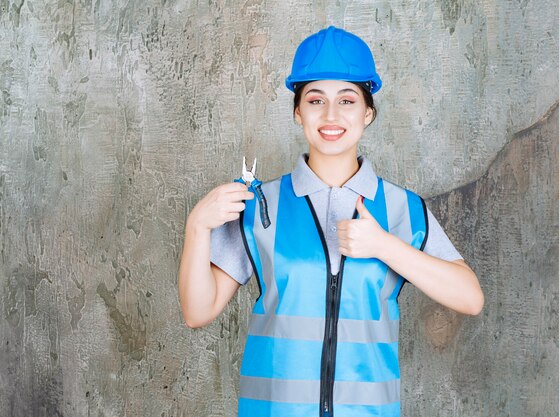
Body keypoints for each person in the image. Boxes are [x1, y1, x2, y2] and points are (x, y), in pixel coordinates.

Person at [179, 26, 483, 417]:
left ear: (368, 112)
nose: (331, 115)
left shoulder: (403, 209)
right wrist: (197, 227)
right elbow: (197, 312)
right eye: (315, 99)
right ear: (297, 111)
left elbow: (470, 298)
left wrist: (385, 246)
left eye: (347, 99)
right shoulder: (260, 206)